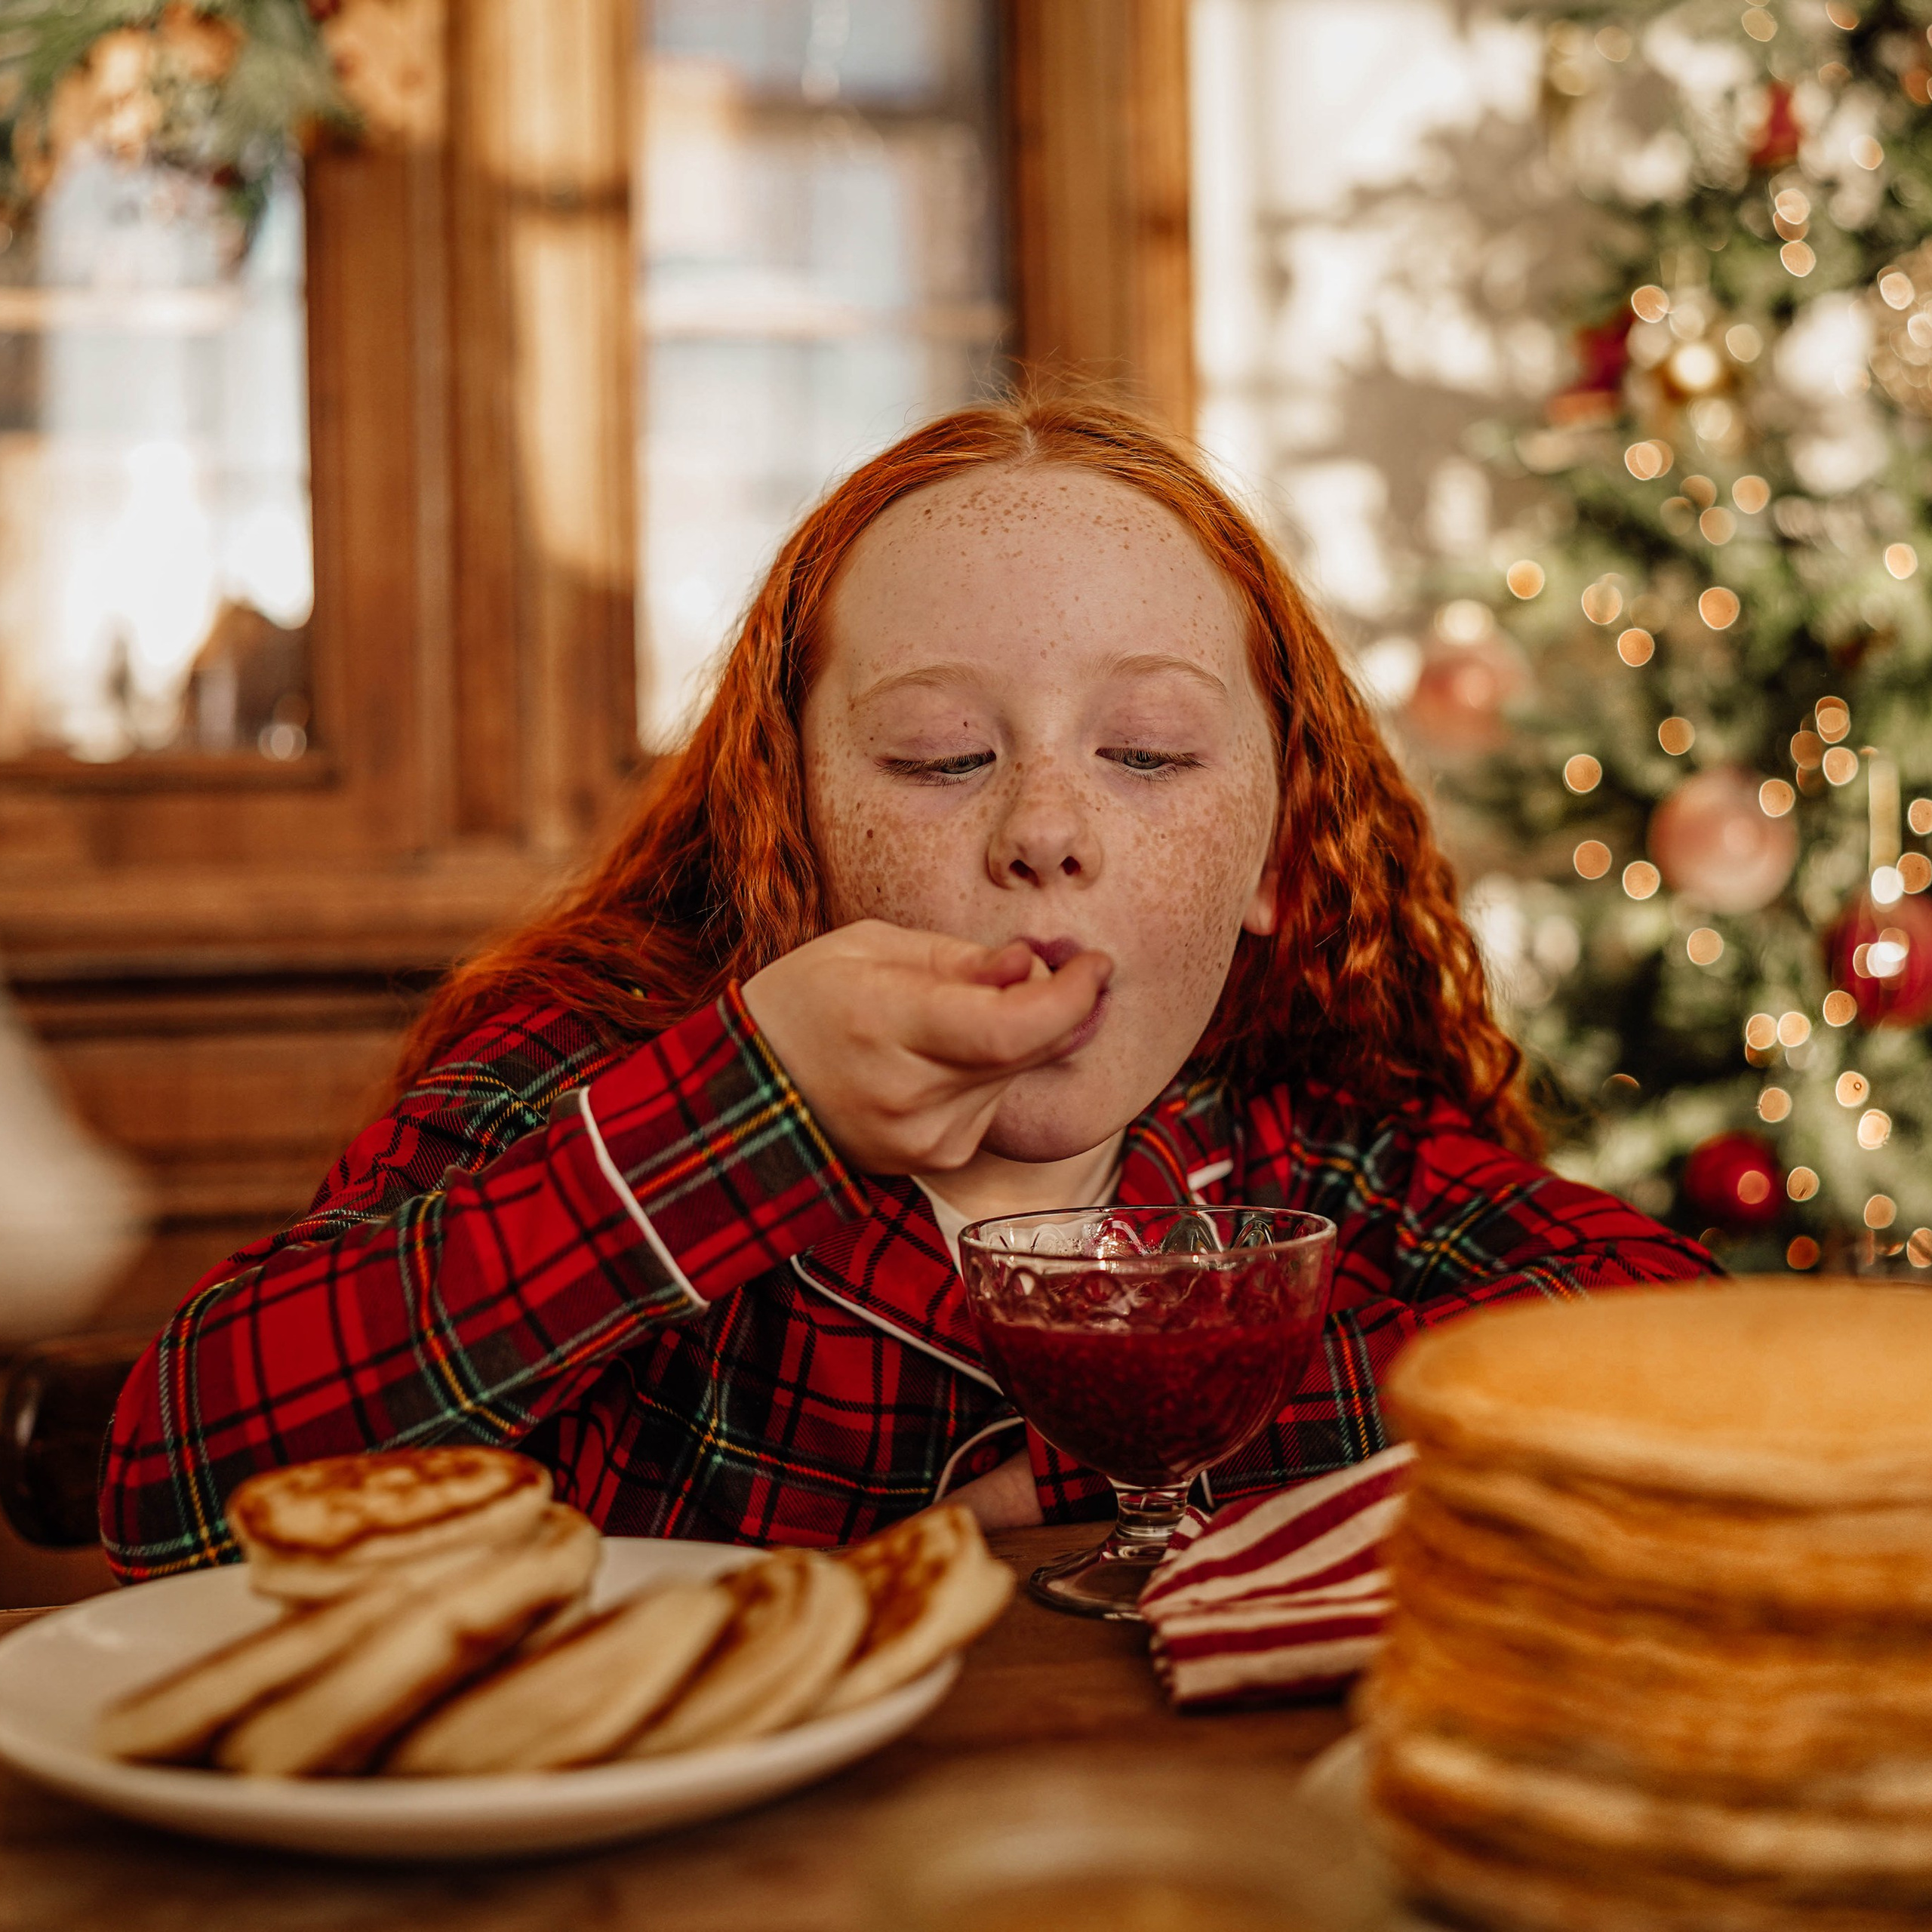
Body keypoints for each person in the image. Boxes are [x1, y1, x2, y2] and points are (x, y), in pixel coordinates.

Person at [100, 399, 1712, 1580]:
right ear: (782, 819)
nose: (1044, 833)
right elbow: (177, 1476)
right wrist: (746, 1110)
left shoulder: (1302, 1145)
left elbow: (1676, 1363)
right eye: (941, 756)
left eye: (1145, 753)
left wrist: (1123, 1452)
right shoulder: (593, 1075)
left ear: (1275, 859)